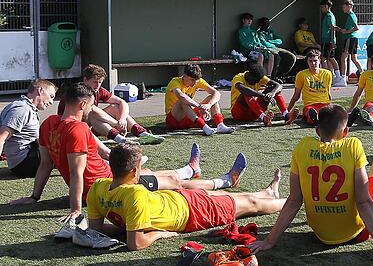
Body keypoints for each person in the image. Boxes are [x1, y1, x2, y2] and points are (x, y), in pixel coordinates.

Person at [11, 84, 247, 223]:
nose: (92, 110)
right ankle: (224, 181)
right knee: (175, 185)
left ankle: (190, 169)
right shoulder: (78, 128)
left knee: (149, 173)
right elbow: (76, 173)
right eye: (91, 106)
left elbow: (45, 164)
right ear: (82, 105)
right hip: (112, 186)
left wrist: (34, 197)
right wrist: (76, 210)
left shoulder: (48, 124)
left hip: (110, 178)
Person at [248, 104, 373, 265]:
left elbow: (294, 201)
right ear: (345, 132)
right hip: (357, 232)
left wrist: (269, 241)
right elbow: (364, 202)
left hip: (321, 235)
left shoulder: (302, 147)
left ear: (318, 131)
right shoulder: (353, 145)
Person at [86, 143, 283, 251]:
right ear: (134, 171)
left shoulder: (98, 187)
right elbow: (135, 244)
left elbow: (96, 229)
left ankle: (267, 193)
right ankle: (288, 203)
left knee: (226, 196)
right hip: (191, 212)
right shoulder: (135, 194)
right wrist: (159, 233)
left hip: (178, 199)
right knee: (251, 204)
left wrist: (129, 227)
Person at [57, 64, 164, 145]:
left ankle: (142, 134)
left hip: (88, 125)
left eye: (100, 82)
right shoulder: (78, 91)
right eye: (95, 81)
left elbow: (122, 102)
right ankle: (119, 138)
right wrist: (116, 124)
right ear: (85, 80)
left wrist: (122, 119)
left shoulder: (98, 90)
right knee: (92, 112)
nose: (97, 85)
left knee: (115, 107)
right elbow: (91, 110)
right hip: (72, 128)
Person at [0, 79, 57, 178]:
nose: (51, 102)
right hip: (25, 163)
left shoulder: (27, 108)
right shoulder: (22, 109)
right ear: (40, 90)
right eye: (51, 96)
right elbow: (1, 137)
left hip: (25, 159)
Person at [164, 64, 235, 135]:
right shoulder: (175, 81)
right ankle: (204, 127)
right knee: (181, 101)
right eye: (192, 80)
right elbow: (181, 96)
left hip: (190, 117)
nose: (195, 83)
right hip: (174, 120)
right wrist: (199, 106)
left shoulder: (198, 81)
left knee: (212, 98)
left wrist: (208, 105)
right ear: (184, 76)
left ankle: (220, 125)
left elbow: (217, 93)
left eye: (196, 80)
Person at [285, 49, 332, 126]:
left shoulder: (327, 73)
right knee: (311, 114)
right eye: (310, 61)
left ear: (319, 60)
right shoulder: (301, 75)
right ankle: (316, 119)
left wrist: (331, 106)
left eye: (315, 60)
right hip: (310, 105)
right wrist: (287, 111)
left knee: (334, 115)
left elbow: (328, 92)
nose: (313, 63)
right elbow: (296, 95)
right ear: (307, 62)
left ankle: (324, 118)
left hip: (325, 104)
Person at [320, 0, 347, 87]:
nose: (321, 9)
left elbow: (332, 27)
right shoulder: (329, 16)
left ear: (326, 6)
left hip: (327, 40)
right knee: (330, 58)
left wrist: (332, 40)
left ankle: (326, 77)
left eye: (322, 7)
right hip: (327, 40)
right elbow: (333, 27)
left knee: (324, 58)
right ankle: (335, 76)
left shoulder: (329, 16)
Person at [337, 0, 363, 77]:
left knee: (343, 58)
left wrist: (346, 32)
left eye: (344, 7)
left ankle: (343, 77)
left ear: (349, 6)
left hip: (350, 38)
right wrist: (341, 30)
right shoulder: (350, 16)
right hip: (351, 38)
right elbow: (350, 28)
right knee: (354, 59)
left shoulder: (351, 16)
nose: (343, 8)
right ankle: (363, 75)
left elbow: (356, 28)